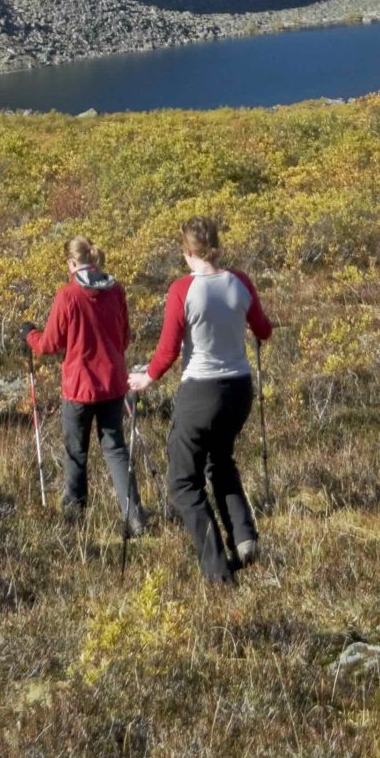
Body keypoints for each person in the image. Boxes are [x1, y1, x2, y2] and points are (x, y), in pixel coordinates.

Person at [129, 215, 271, 584]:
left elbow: (168, 349)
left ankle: (216, 571)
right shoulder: (240, 281)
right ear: (215, 245)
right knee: (220, 459)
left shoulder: (183, 290)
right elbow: (265, 330)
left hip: (200, 393)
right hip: (239, 389)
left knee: (183, 482)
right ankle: (243, 537)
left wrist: (148, 377)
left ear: (187, 251)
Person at [23, 234, 146, 535]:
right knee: (115, 448)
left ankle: (74, 519)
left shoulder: (68, 296)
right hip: (113, 383)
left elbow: (49, 344)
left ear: (71, 262)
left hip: (79, 387)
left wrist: (29, 335)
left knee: (76, 452)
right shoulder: (115, 290)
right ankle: (135, 517)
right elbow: (124, 337)